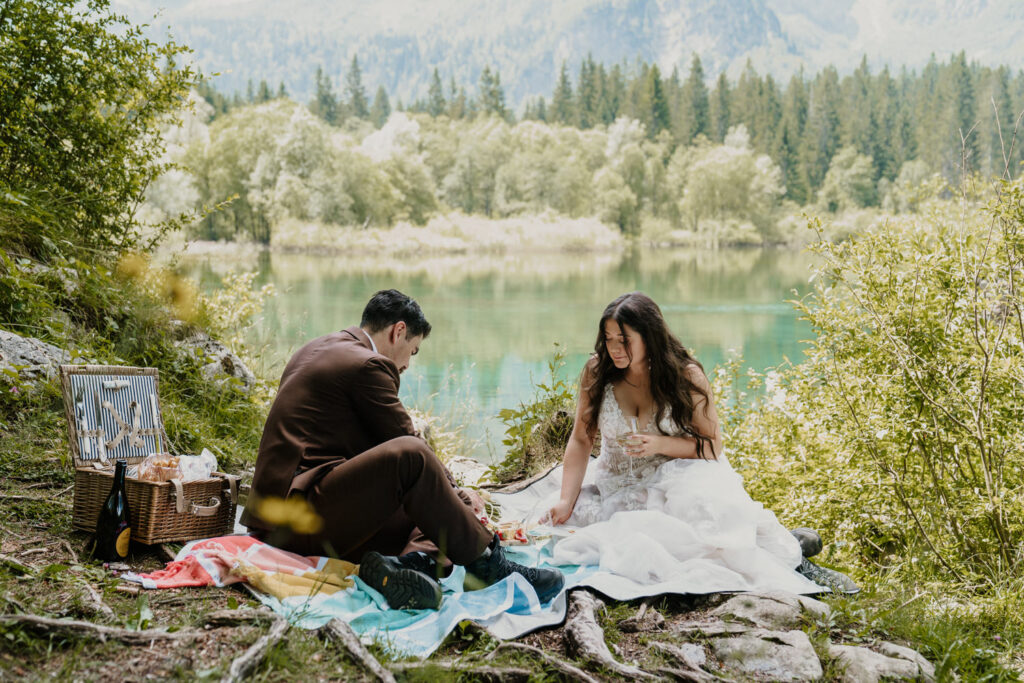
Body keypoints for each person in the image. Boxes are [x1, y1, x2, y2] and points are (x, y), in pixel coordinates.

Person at [241, 289, 564, 610]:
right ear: (398, 331)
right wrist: (457, 494)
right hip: (302, 517)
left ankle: (408, 565)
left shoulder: (318, 348)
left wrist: (449, 500)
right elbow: (407, 441)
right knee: (413, 457)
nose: (408, 364)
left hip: (281, 519)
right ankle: (489, 565)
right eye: (413, 350)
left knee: (431, 510)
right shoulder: (368, 365)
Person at [542, 291, 856, 593]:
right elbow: (582, 440)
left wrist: (659, 445)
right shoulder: (597, 372)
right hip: (615, 485)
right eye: (609, 339)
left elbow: (712, 447)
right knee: (618, 537)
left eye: (624, 340)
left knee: (700, 526)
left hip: (671, 480)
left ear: (649, 337)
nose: (614, 349)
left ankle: (792, 559)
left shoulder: (685, 376)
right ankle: (786, 544)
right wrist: (566, 500)